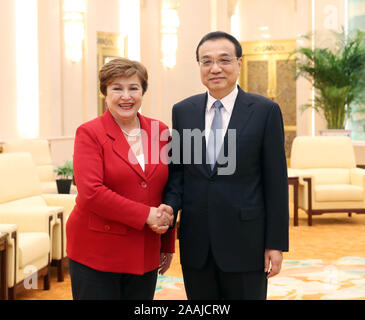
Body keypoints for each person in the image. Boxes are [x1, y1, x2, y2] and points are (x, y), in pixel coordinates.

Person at [163, 31, 289, 300]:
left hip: (247, 242)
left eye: (224, 60)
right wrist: (169, 207)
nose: (215, 68)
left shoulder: (265, 111)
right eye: (206, 61)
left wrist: (275, 243)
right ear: (199, 66)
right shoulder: (182, 111)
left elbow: (275, 183)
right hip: (197, 243)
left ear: (239, 63)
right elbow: (178, 174)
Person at [66, 57, 175, 300]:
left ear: (142, 92)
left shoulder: (161, 131)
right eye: (117, 88)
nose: (126, 96)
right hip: (97, 252)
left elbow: (169, 188)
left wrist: (166, 244)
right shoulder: (89, 133)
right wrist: (147, 215)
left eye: (133, 88)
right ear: (104, 92)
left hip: (146, 250)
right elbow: (92, 193)